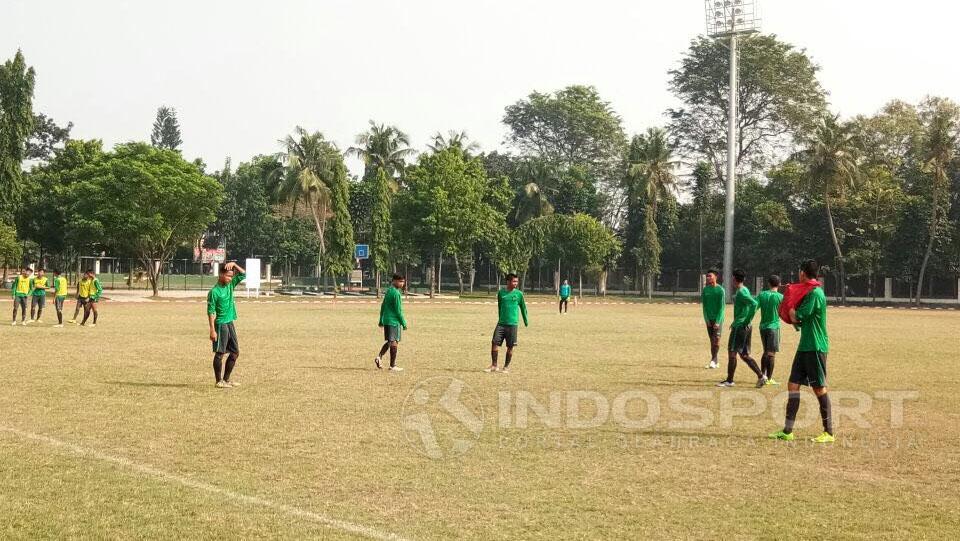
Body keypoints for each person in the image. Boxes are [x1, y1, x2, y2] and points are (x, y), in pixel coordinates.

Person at [770, 260, 834, 443]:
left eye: (799, 272)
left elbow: (797, 317)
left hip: (816, 346)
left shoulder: (815, 293)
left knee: (819, 388)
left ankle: (829, 433)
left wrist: (789, 304)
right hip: (805, 346)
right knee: (793, 385)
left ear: (803, 273)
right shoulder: (811, 292)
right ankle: (788, 431)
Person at [717, 269, 765, 387]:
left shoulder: (742, 292)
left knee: (732, 352)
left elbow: (754, 304)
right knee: (744, 355)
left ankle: (729, 381)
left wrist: (746, 320)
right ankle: (761, 376)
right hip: (745, 326)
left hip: (740, 327)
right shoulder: (745, 289)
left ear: (734, 278)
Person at [207, 261, 246, 388]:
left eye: (231, 276)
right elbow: (210, 311)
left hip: (230, 323)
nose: (230, 278)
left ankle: (226, 380)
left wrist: (234, 264)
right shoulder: (214, 292)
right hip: (220, 325)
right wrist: (212, 330)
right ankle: (219, 381)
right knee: (220, 353)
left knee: (235, 352)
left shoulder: (230, 285)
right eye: (228, 276)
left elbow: (244, 274)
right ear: (221, 274)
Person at [485, 273, 529, 374]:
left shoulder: (519, 294)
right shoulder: (501, 293)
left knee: (510, 346)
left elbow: (523, 308)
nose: (516, 283)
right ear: (508, 282)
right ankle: (494, 365)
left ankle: (506, 367)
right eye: (514, 281)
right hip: (501, 323)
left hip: (512, 324)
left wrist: (526, 320)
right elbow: (500, 306)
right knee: (494, 343)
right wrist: (501, 317)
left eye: (517, 281)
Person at [375, 274, 408, 372]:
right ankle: (392, 366)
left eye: (403, 281)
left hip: (387, 320)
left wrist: (381, 319)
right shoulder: (396, 293)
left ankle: (379, 357)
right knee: (394, 343)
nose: (402, 283)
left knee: (390, 341)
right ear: (394, 281)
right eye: (400, 281)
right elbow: (398, 311)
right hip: (394, 321)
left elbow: (383, 306)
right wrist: (403, 323)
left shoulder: (389, 291)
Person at [756, 274, 784, 386]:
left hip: (763, 327)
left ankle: (762, 375)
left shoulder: (762, 295)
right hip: (773, 327)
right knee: (771, 354)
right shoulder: (780, 297)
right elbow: (784, 312)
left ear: (768, 283)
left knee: (765, 352)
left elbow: (755, 307)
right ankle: (769, 378)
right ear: (779, 284)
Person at [701, 269, 725, 369]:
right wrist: (706, 319)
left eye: (710, 276)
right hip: (709, 319)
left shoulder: (720, 290)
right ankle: (715, 360)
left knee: (717, 339)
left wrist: (718, 321)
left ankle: (713, 360)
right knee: (712, 340)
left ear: (716, 277)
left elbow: (722, 307)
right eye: (707, 276)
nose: (708, 278)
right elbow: (704, 306)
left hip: (717, 319)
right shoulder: (705, 290)